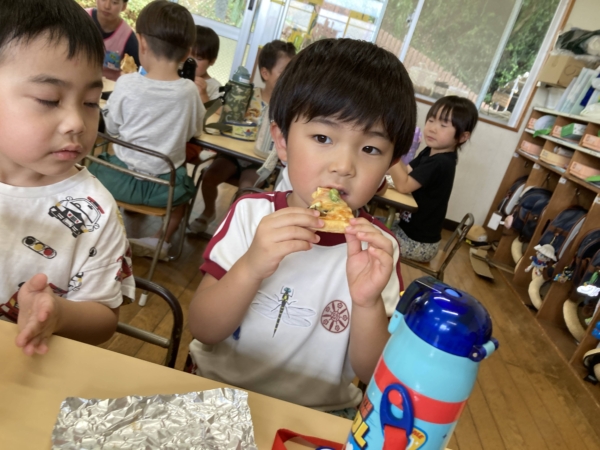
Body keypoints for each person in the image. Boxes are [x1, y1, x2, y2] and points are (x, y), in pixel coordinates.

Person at [186, 38, 416, 413]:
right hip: (219, 393)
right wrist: (250, 266)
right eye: (323, 138)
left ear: (389, 166)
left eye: (370, 149)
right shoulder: (251, 215)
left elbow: (372, 373)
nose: (344, 166)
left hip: (319, 412)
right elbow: (203, 328)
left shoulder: (378, 250)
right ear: (282, 141)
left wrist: (367, 303)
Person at [0, 0, 135, 355]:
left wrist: (58, 315)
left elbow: (104, 318)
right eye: (49, 99)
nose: (77, 122)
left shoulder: (96, 210)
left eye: (90, 102)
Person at [88, 1, 205, 260]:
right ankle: (160, 240)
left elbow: (112, 127)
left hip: (117, 181)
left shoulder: (127, 84)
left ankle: (101, 232)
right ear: (187, 52)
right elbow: (194, 131)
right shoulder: (189, 92)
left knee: (92, 172)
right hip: (163, 191)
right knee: (182, 200)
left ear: (141, 43)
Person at [188, 40, 296, 234]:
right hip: (233, 155)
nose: (290, 78)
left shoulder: (287, 106)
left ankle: (229, 228)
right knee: (209, 177)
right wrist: (206, 98)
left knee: (246, 190)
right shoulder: (246, 95)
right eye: (284, 72)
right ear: (265, 73)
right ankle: (208, 212)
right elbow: (224, 114)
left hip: (258, 162)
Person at [388, 96, 478, 262]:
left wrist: (391, 148)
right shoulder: (429, 152)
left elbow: (403, 185)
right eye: (431, 120)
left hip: (419, 243)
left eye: (443, 125)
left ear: (462, 137)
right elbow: (406, 171)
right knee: (365, 221)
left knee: (365, 230)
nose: (432, 128)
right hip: (406, 229)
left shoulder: (441, 162)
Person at [86, 0, 140, 81]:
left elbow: (137, 72)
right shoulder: (80, 18)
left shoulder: (128, 38)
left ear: (124, 6)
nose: (107, 6)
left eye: (114, 2)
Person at [193, 25, 221, 104]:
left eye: (198, 59)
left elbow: (216, 111)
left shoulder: (215, 87)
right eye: (187, 56)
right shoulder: (175, 75)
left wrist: (203, 95)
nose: (191, 62)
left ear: (211, 61)